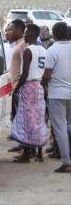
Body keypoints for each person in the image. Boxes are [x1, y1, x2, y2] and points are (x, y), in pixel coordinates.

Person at [10, 24, 47, 163]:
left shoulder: (28, 51)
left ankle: (26, 154)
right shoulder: (44, 50)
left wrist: (17, 88)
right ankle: (39, 154)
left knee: (26, 121)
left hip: (28, 87)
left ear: (31, 34)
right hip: (39, 86)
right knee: (38, 119)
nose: (24, 35)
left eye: (26, 33)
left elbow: (24, 73)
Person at [42, 22, 71, 173]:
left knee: (60, 128)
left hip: (57, 94)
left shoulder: (52, 50)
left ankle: (66, 162)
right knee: (69, 125)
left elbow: (47, 75)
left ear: (54, 33)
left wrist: (44, 85)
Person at [8, 19, 27, 153]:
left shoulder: (23, 46)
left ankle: (25, 147)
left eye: (12, 29)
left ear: (20, 30)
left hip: (19, 86)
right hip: (13, 85)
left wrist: (18, 86)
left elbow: (25, 69)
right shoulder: (16, 45)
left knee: (21, 118)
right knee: (16, 117)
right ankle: (20, 143)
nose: (10, 32)